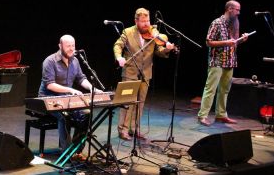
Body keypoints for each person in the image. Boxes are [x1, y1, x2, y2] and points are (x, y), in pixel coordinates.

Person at [113, 8, 174, 140]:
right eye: (143, 21)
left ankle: (134, 128)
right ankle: (122, 129)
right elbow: (118, 45)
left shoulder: (153, 33)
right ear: (136, 21)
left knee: (140, 103)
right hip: (130, 72)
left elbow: (159, 50)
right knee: (126, 102)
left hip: (146, 73)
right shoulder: (128, 32)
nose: (146, 24)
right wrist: (119, 57)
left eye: (148, 21)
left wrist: (167, 49)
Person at [38, 34, 103, 160]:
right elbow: (50, 85)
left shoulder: (75, 60)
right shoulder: (49, 61)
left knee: (86, 113)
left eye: (73, 45)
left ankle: (77, 150)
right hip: (48, 98)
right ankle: (66, 152)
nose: (71, 48)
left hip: (66, 98)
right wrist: (71, 90)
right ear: (60, 46)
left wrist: (92, 88)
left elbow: (81, 78)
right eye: (68, 46)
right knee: (64, 115)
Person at [197, 0, 248, 126]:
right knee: (211, 89)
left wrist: (241, 40)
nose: (238, 13)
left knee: (224, 90)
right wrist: (226, 42)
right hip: (217, 61)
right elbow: (208, 42)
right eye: (237, 10)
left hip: (230, 61)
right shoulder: (217, 23)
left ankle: (221, 114)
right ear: (229, 9)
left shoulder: (234, 23)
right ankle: (202, 116)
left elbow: (233, 42)